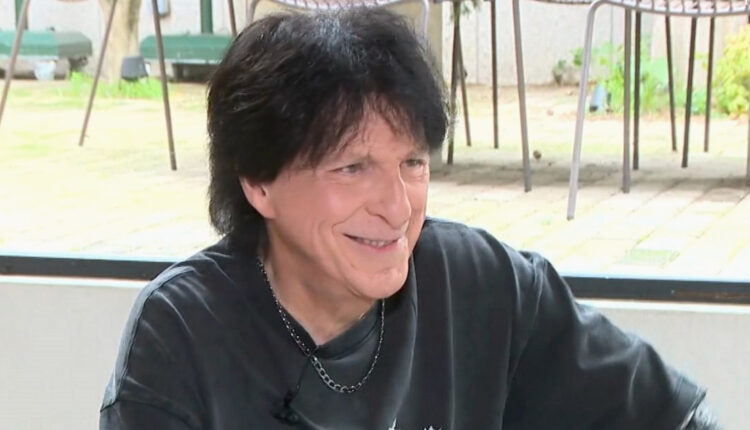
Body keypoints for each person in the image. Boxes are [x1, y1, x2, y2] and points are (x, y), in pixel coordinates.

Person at [99, 8, 719, 429]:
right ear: (259, 182)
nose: (397, 208)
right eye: (352, 168)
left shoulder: (481, 283)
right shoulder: (184, 331)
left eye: (413, 163)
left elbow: (676, 418)